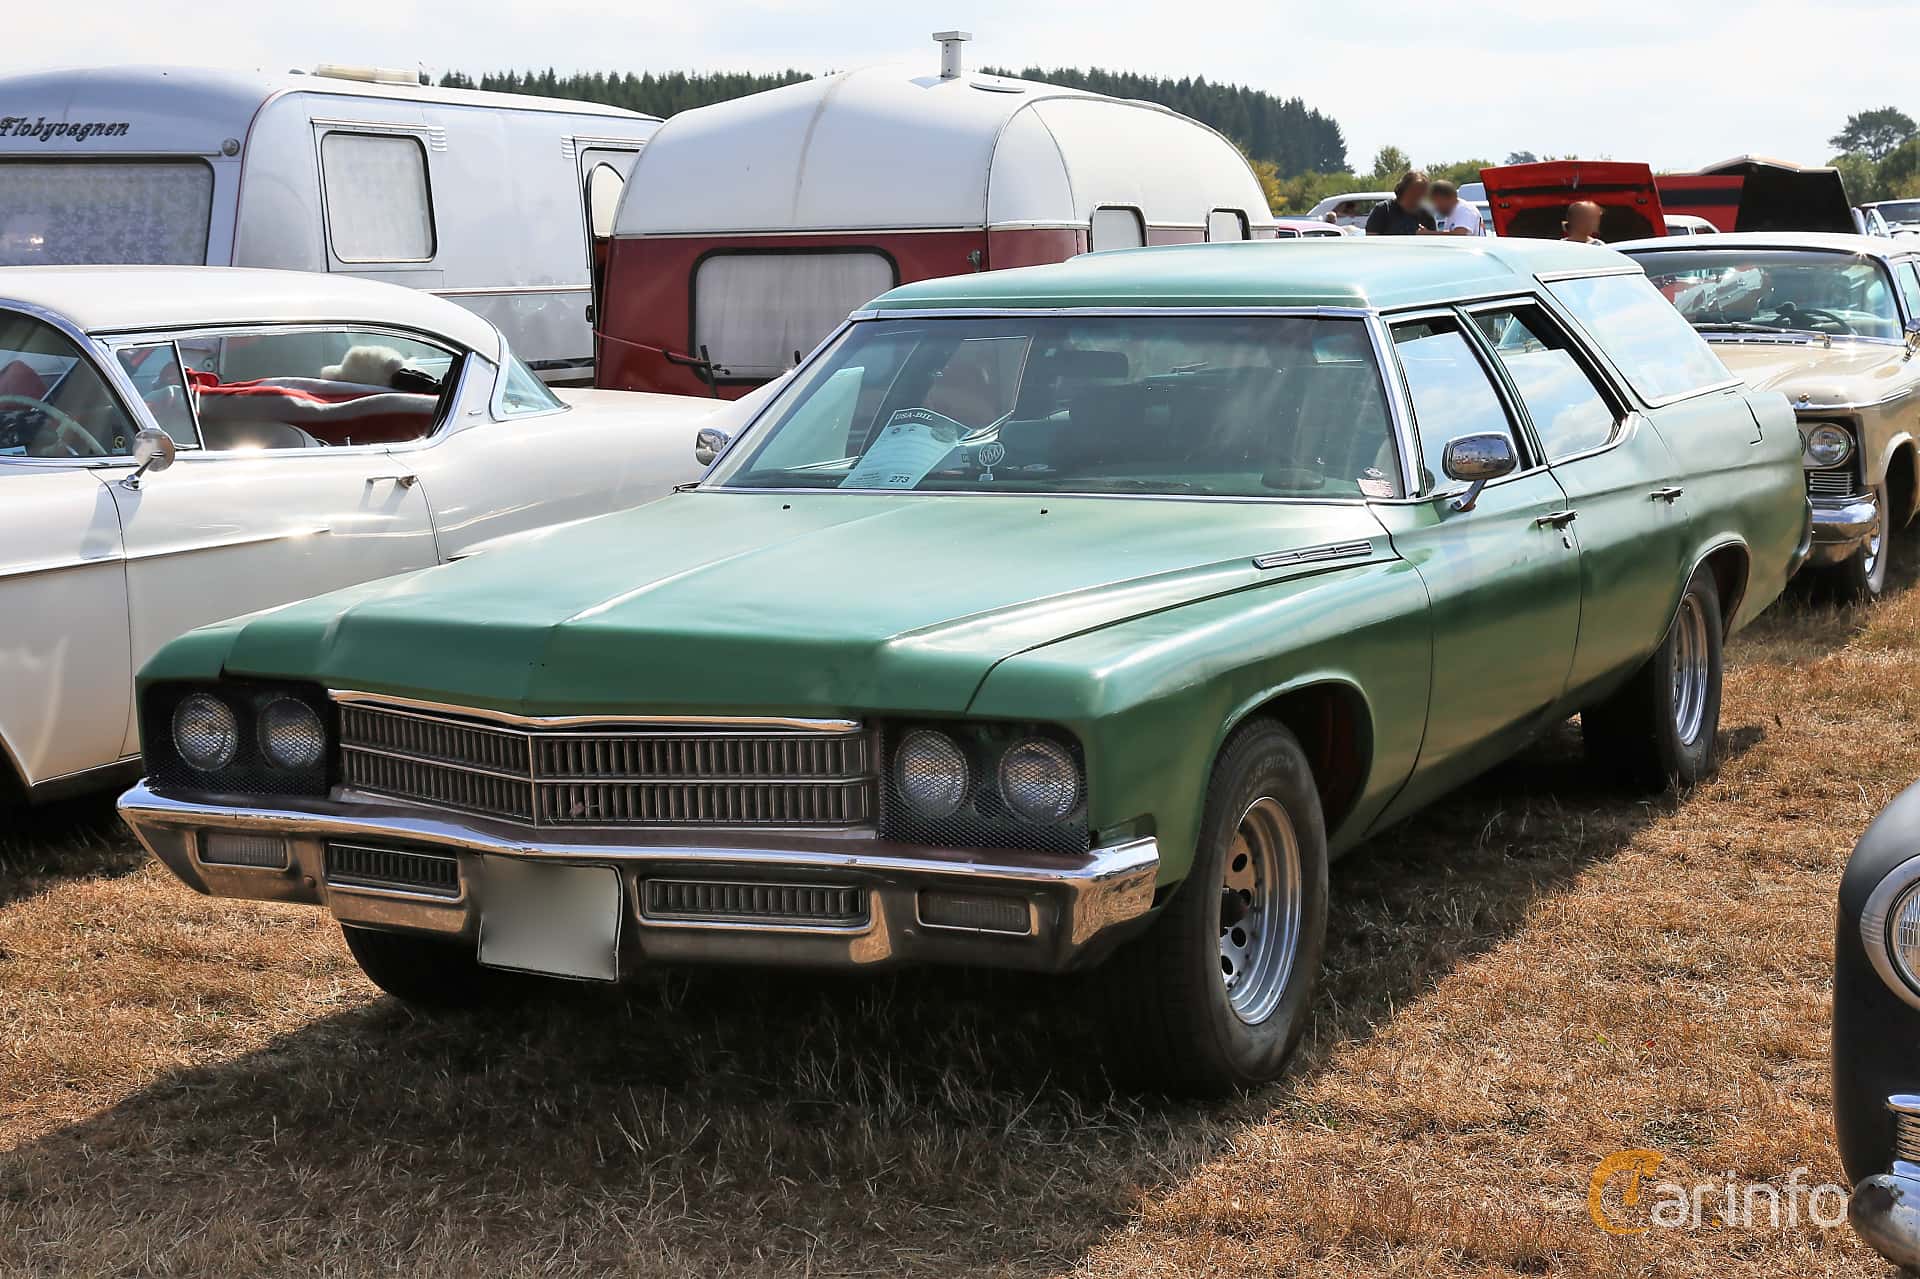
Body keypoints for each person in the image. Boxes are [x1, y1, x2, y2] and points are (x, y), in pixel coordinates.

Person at [1365, 170, 1437, 236]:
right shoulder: (1383, 210)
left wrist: (1427, 235)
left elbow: (1434, 244)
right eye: (1415, 192)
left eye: (1423, 193)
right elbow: (1371, 241)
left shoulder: (1426, 215)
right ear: (1403, 189)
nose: (1419, 196)